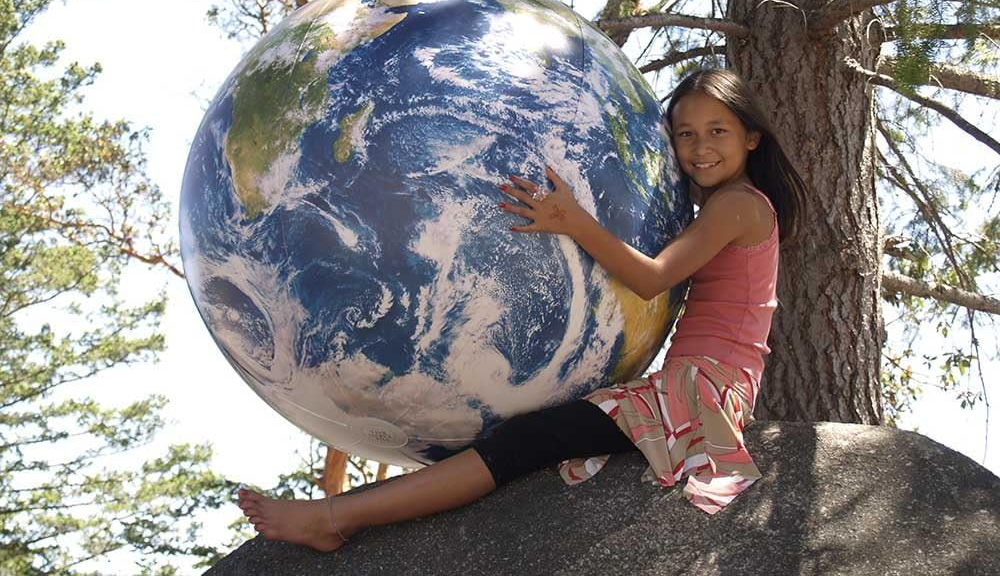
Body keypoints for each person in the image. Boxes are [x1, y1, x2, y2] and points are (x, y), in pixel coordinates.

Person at [237, 67, 807, 552]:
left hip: (701, 392)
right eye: (686, 134)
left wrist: (572, 219)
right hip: (705, 383)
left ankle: (335, 518)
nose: (700, 148)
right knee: (532, 439)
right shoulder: (735, 206)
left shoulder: (736, 205)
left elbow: (652, 278)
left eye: (717, 131)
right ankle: (338, 514)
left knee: (520, 445)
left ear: (752, 137)